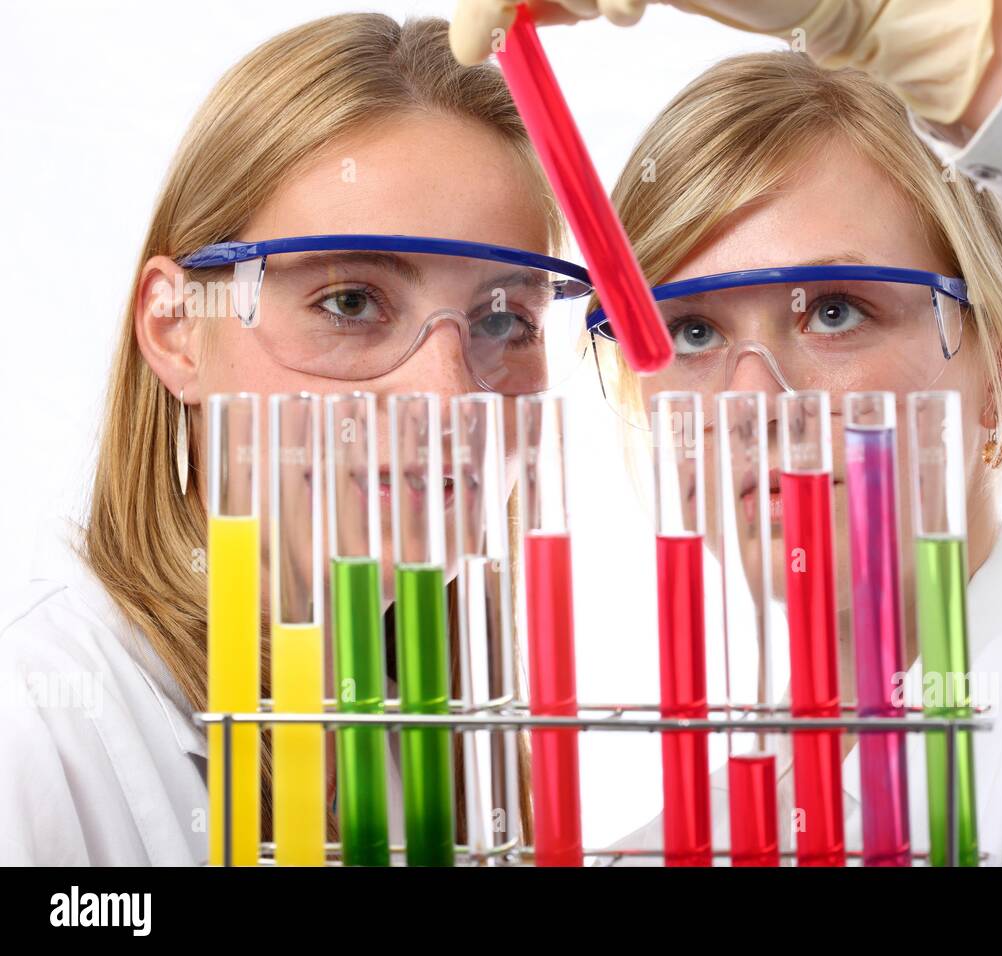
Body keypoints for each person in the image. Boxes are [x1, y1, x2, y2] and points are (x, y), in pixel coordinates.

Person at [453, 0, 1002, 865]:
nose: (754, 398)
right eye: (695, 331)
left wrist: (971, 49)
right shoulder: (663, 849)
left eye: (833, 310)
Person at [0, 14, 590, 865]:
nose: (449, 394)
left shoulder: (441, 730)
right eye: (351, 301)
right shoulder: (32, 727)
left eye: (505, 318)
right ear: (176, 329)